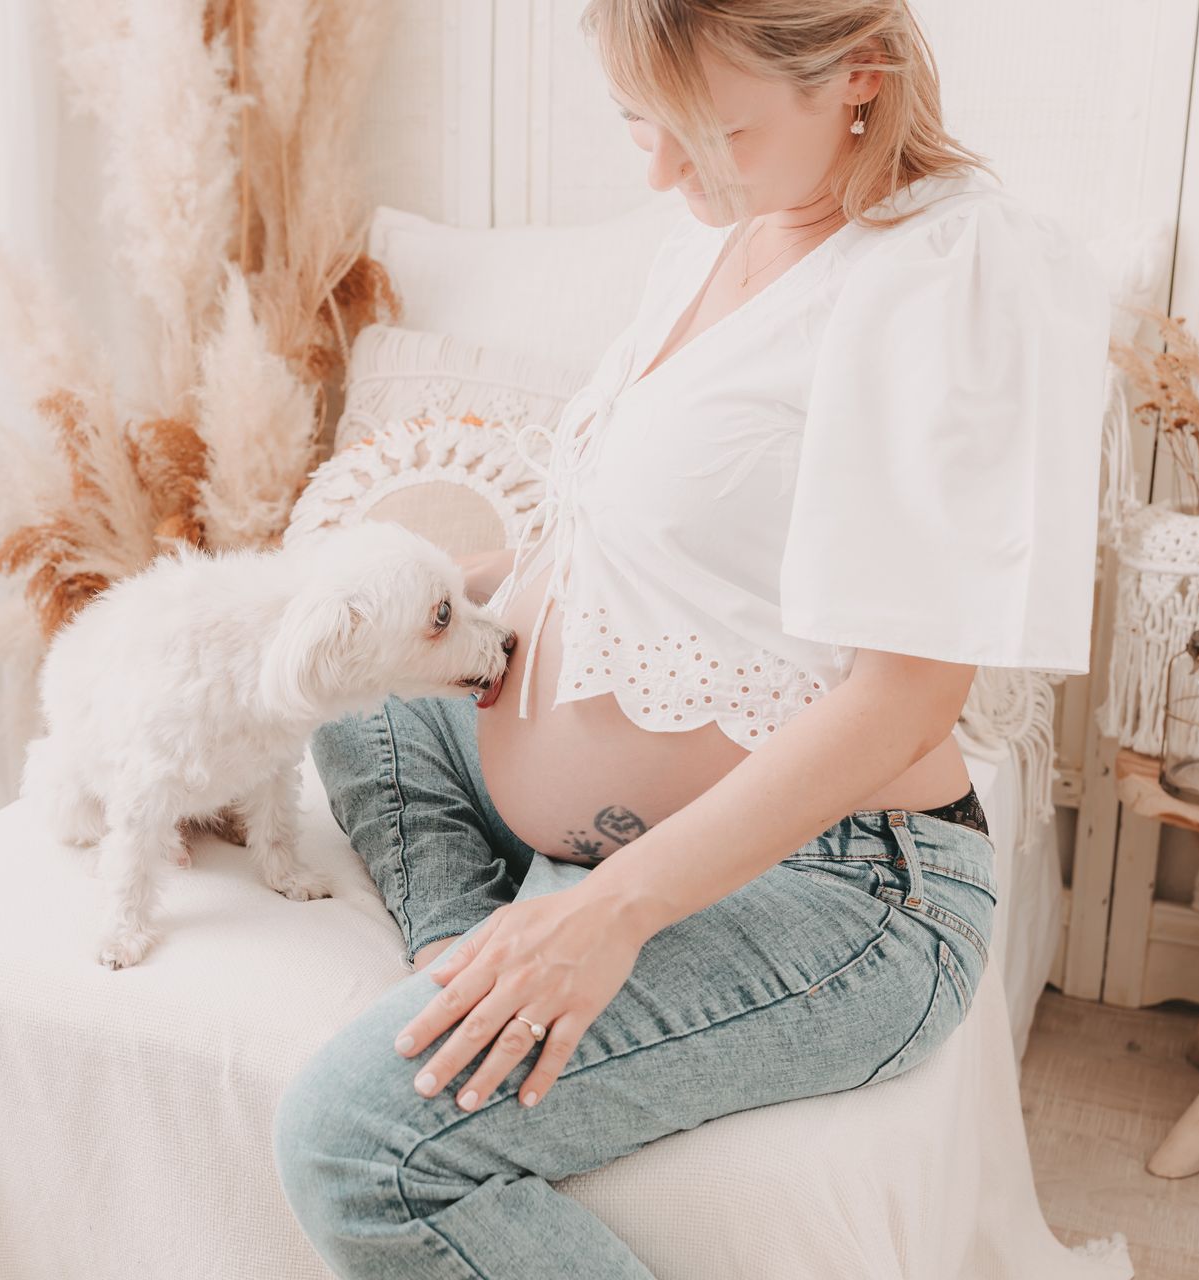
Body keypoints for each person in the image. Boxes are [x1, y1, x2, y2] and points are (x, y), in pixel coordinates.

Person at [272, 1, 1110, 1276]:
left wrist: (615, 910)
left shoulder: (939, 272)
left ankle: (519, 952)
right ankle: (468, 951)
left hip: (838, 877)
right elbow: (623, 553)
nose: (665, 172)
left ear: (860, 77)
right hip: (612, 823)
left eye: (712, 134)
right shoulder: (718, 238)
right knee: (353, 683)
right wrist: (390, 595)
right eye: (638, 122)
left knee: (356, 1144)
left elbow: (907, 697)